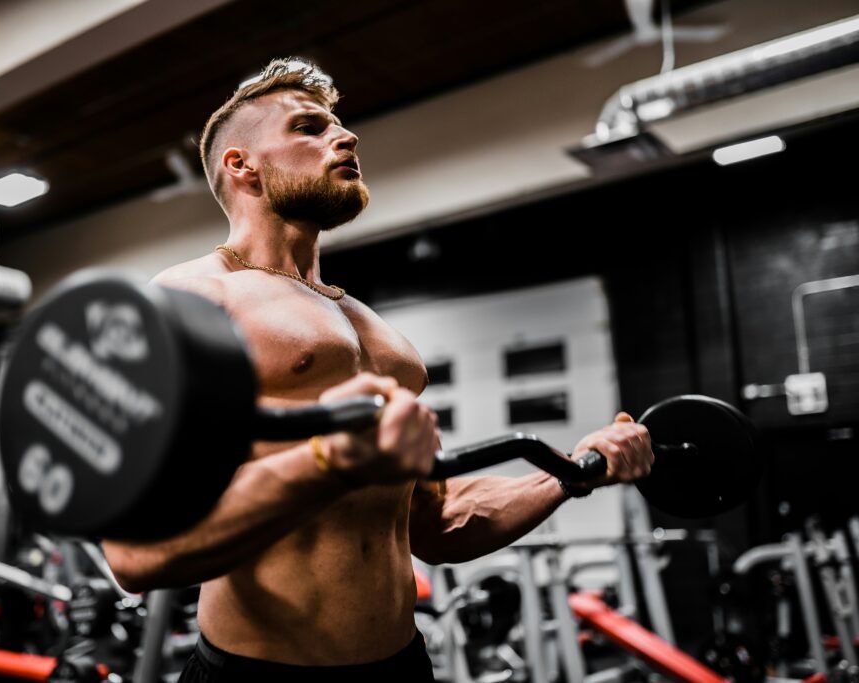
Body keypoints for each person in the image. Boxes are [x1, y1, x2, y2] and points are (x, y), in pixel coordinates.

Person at [101, 57, 654, 682]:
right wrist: (325, 461)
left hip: (401, 666)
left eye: (337, 125)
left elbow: (436, 524)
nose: (347, 137)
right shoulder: (188, 301)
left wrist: (573, 472)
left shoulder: (374, 331)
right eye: (309, 127)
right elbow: (136, 553)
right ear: (241, 165)